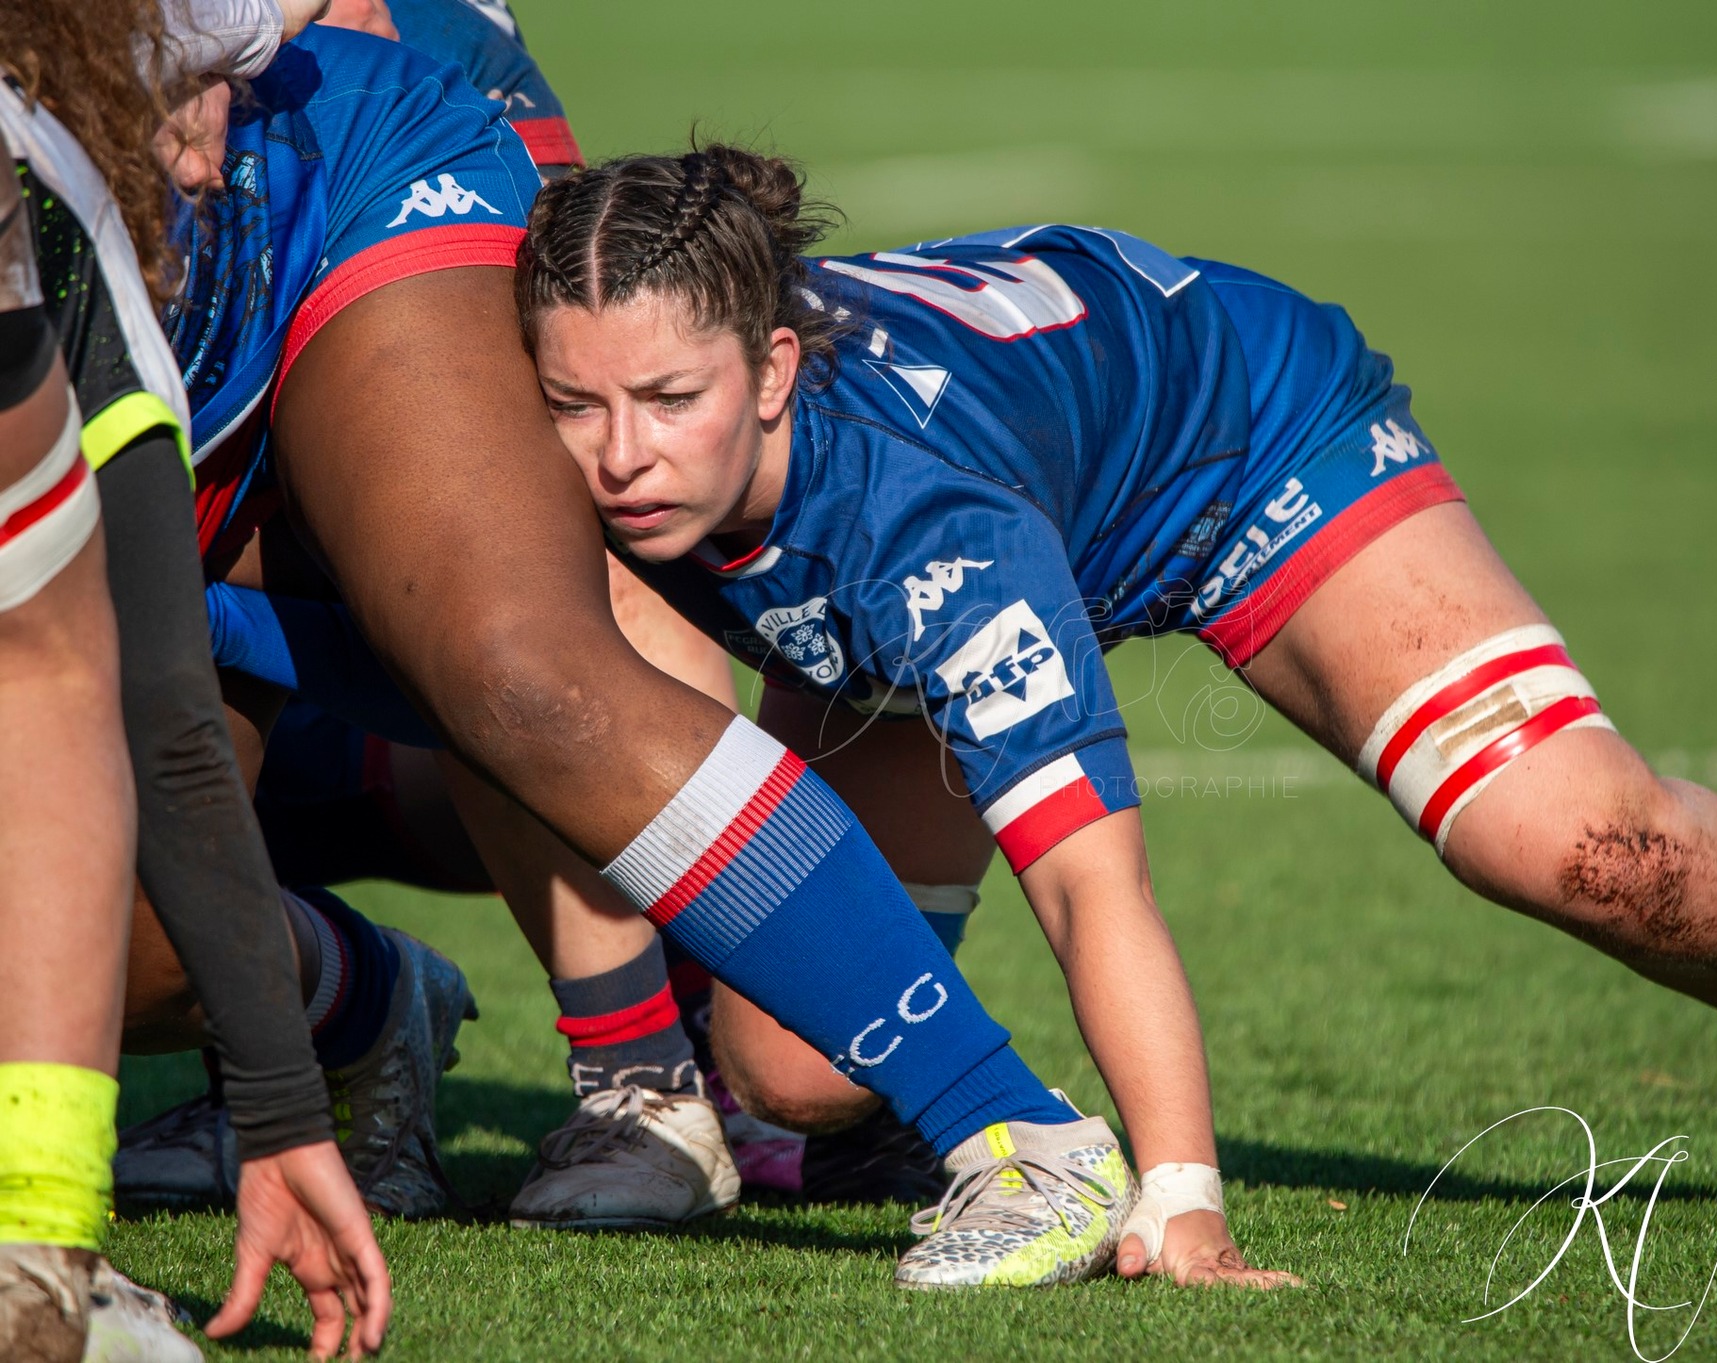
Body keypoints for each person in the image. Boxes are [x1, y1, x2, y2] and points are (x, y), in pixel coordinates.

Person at [510, 144, 1717, 1284]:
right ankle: (923, 1131)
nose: (621, 454)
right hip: (936, 551)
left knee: (1573, 844)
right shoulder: (655, 451)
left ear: (772, 369)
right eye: (576, 402)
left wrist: (1182, 1194)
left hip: (1241, 448)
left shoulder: (923, 518)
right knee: (793, 1068)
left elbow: (1090, 882)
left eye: (668, 396)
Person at [100, 22, 1135, 1289]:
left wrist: (186, 48)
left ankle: (993, 1126)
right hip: (82, 276)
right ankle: (364, 1011)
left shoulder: (216, 112)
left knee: (513, 658)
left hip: (324, 173)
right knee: (111, 932)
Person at [0, 1, 390, 1357]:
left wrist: (279, 1105)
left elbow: (159, 711)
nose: (226, 155)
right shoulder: (51, 201)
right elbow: (146, 712)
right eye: (216, 86)